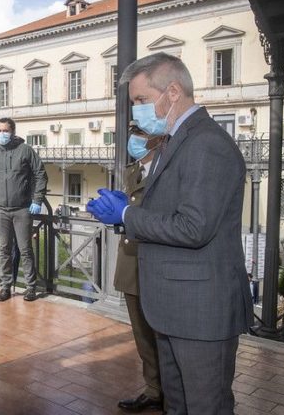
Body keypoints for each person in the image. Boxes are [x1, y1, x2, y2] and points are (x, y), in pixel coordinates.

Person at [87, 53, 253, 415]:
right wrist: (127, 210)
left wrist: (128, 215)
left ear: (173, 92)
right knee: (177, 405)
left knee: (205, 407)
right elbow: (168, 211)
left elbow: (194, 227)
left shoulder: (206, 143)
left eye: (141, 100)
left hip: (200, 312)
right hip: (173, 308)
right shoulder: (172, 142)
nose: (136, 112)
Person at [113, 124, 165, 413]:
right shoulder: (132, 171)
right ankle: (153, 389)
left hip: (155, 260)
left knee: (161, 335)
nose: (133, 140)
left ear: (156, 139)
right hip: (130, 259)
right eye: (133, 134)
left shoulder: (165, 170)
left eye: (140, 135)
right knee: (142, 335)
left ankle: (172, 395)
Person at [0, 117, 48, 302]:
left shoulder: (25, 150)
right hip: (0, 210)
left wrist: (37, 200)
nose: (2, 134)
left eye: (6, 131)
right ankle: (5, 287)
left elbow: (40, 174)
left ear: (12, 132)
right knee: (4, 249)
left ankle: (30, 287)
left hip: (22, 210)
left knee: (25, 249)